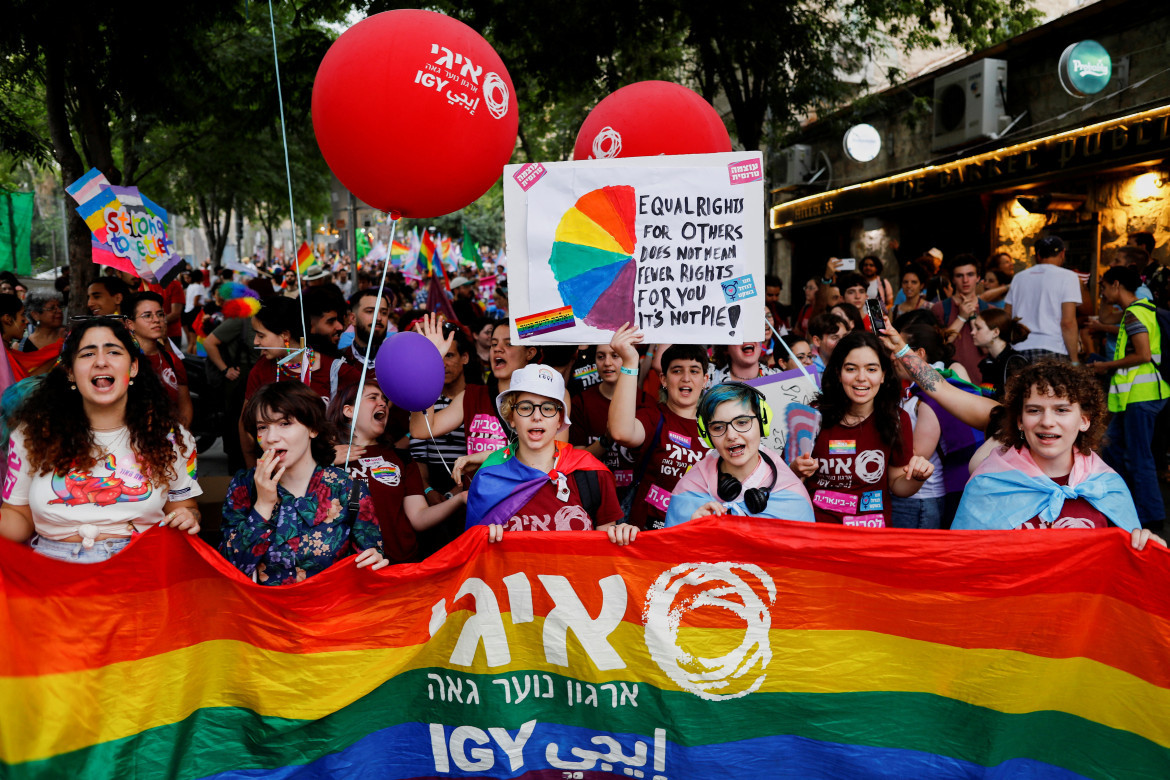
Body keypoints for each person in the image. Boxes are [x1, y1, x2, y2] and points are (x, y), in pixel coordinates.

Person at [0, 317, 202, 560]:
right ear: (70, 372)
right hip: (53, 574)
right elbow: (18, 518)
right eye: (87, 354)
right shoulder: (32, 433)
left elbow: (185, 508)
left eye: (114, 352)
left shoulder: (170, 437)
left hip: (141, 569)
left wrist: (188, 517)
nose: (101, 362)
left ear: (133, 367)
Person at [953, 361, 1163, 551]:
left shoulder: (1107, 487)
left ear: (1084, 420)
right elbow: (961, 561)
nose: (1047, 421)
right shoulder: (988, 484)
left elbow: (1126, 569)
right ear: (1019, 421)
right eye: (1034, 410)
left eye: (1061, 410)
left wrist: (1147, 549)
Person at [219, 382, 388, 584]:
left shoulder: (348, 490)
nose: (271, 437)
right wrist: (262, 505)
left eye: (285, 423)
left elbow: (369, 569)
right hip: (264, 613)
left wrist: (374, 562)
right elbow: (228, 570)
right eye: (262, 427)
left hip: (330, 612)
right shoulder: (244, 486)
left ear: (313, 429)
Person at [465, 364, 635, 545]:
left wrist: (623, 536)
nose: (537, 416)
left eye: (547, 408)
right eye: (525, 407)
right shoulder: (488, 477)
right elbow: (474, 555)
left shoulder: (592, 473)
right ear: (511, 418)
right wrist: (486, 541)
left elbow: (606, 553)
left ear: (559, 419)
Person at [792, 330, 934, 526]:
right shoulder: (810, 417)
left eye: (871, 369)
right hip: (818, 534)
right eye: (851, 369)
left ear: (883, 375)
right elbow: (787, 481)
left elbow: (898, 486)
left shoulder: (898, 419)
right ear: (838, 373)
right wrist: (796, 470)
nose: (861, 377)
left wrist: (918, 478)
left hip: (871, 537)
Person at [327, 381, 465, 563]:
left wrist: (460, 499)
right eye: (372, 398)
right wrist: (325, 461)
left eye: (384, 399)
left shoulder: (402, 458)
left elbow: (418, 517)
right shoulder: (325, 458)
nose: (383, 403)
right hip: (350, 567)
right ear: (348, 411)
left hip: (399, 566)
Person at [665, 382, 814, 525]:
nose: (731, 435)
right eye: (718, 427)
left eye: (742, 422)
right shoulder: (688, 491)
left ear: (762, 423)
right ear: (707, 436)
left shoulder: (792, 495)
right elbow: (669, 549)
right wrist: (690, 533)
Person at [608, 326, 710, 529]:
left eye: (694, 371)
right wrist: (630, 362)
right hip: (646, 535)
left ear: (705, 380)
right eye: (677, 370)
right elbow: (620, 432)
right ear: (663, 379)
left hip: (694, 536)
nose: (686, 378)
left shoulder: (715, 428)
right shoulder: (654, 416)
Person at [1092, 266, 1169, 530]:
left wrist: (1105, 367)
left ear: (1116, 285)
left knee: (1139, 456)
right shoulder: (1143, 309)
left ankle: (1150, 517)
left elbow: (1144, 355)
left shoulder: (1134, 313)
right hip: (1137, 397)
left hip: (1141, 395)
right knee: (1112, 447)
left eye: (1103, 287)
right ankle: (1122, 505)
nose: (1102, 293)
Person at [569, 341, 644, 507]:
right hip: (592, 492)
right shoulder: (581, 402)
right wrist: (606, 440)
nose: (607, 363)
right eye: (600, 356)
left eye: (615, 356)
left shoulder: (646, 401)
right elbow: (577, 460)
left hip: (632, 496)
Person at [1005, 236, 1082, 364]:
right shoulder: (1069, 277)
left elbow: (1006, 316)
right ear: (1062, 253)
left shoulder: (1019, 277)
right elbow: (1068, 322)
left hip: (1019, 349)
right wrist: (1074, 360)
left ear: (1038, 255)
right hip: (1053, 348)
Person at [125, 292, 194, 428]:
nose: (156, 320)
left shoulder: (172, 359)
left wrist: (179, 435)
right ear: (130, 324)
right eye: (147, 315)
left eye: (160, 314)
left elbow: (184, 405)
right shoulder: (124, 363)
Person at [932, 254, 990, 383]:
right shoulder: (940, 308)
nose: (965, 280)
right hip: (949, 382)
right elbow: (939, 346)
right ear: (952, 279)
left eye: (970, 275)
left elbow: (987, 348)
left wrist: (973, 316)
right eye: (959, 275)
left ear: (978, 278)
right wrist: (962, 317)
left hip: (983, 382)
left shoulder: (988, 310)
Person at [972, 308, 1030, 399]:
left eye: (978, 328)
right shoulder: (989, 362)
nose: (972, 332)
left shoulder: (1015, 362)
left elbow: (1016, 400)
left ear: (995, 332)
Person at [343, 288, 393, 369]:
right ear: (353, 318)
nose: (379, 318)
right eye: (370, 311)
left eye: (384, 313)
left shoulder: (397, 357)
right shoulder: (339, 361)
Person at [710, 340, 778, 384]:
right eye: (740, 334)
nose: (748, 339)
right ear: (725, 348)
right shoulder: (708, 381)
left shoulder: (779, 379)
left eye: (753, 332)